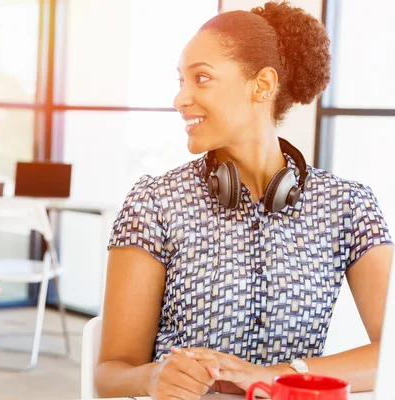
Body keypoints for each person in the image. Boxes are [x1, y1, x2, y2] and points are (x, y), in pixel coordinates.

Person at [95, 1, 394, 399]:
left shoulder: (348, 205)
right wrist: (152, 378)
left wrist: (276, 376)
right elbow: (111, 372)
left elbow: (389, 351)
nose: (180, 99)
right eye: (180, 80)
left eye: (201, 78)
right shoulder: (155, 202)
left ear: (263, 85)